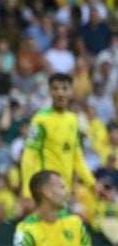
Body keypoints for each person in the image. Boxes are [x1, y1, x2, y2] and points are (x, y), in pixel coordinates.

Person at [19, 73, 99, 206]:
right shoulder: (40, 120)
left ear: (71, 92)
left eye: (64, 88)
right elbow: (28, 156)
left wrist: (92, 183)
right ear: (50, 91)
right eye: (55, 88)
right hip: (45, 190)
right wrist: (27, 191)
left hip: (64, 191)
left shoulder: (73, 120)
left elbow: (77, 158)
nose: (60, 93)